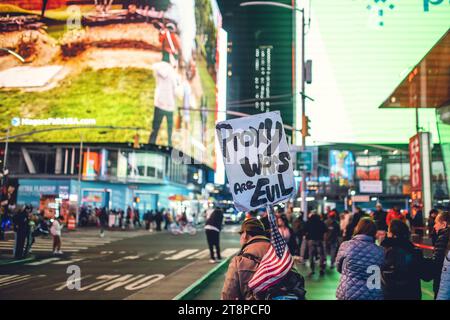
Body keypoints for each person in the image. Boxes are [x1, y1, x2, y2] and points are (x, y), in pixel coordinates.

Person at [335, 218, 384, 300]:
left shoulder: (346, 245)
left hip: (348, 293)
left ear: (357, 228)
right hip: (372, 295)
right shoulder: (381, 251)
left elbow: (339, 268)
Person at [221, 218, 270, 300]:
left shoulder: (239, 260)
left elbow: (228, 294)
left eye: (241, 234)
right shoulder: (280, 251)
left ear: (245, 235)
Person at [380, 219, 424, 300]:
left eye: (388, 231)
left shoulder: (383, 251)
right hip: (411, 294)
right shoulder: (414, 251)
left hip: (389, 294)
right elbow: (425, 275)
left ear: (393, 234)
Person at [148, 54, 180, 147]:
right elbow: (177, 91)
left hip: (159, 104)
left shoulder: (159, 69)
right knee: (170, 131)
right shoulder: (172, 73)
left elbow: (154, 66)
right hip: (169, 106)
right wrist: (173, 68)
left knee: (155, 128)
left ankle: (150, 145)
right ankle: (169, 146)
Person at [424, 211, 450, 298]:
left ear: (444, 224)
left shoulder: (443, 238)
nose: (434, 226)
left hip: (442, 281)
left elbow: (437, 263)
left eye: (436, 223)